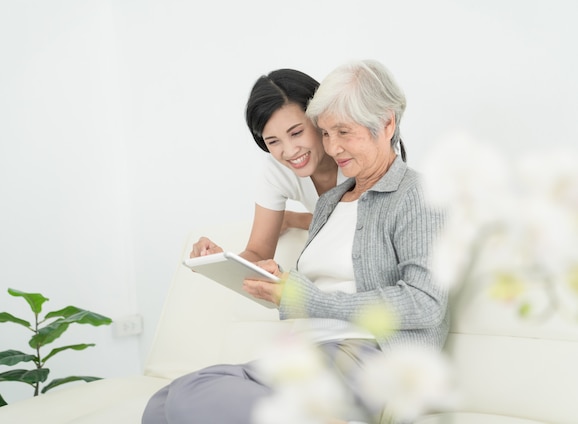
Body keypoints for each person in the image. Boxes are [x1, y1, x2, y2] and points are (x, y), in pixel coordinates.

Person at [142, 59, 449, 423]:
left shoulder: (417, 193)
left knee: (193, 398)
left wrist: (306, 297)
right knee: (162, 404)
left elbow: (426, 303)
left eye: (343, 132)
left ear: (386, 123)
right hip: (304, 353)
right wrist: (279, 283)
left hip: (364, 358)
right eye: (326, 133)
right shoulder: (331, 202)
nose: (333, 147)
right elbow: (313, 290)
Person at [191, 69, 345, 263]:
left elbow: (364, 225)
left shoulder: (355, 153)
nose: (289, 151)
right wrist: (217, 262)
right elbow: (257, 254)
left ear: (319, 118)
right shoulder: (277, 170)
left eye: (296, 132)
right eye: (273, 141)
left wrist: (294, 220)